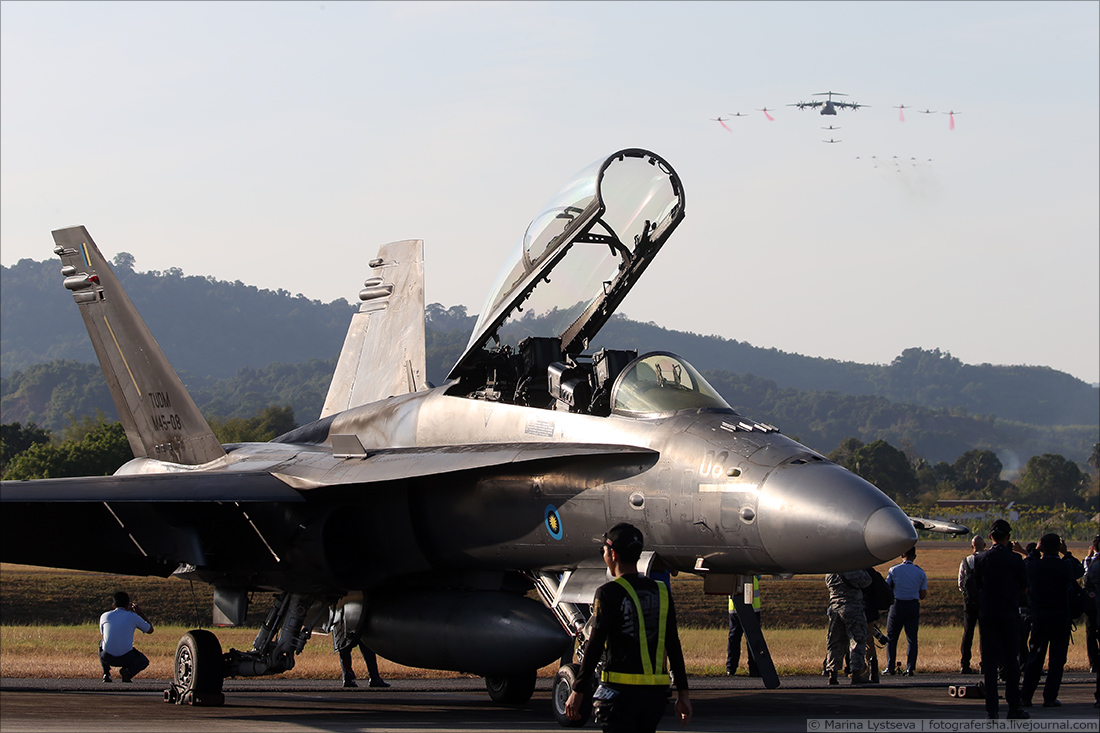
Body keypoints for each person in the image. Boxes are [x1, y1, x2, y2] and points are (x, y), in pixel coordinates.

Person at [565, 523, 691, 732]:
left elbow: (595, 645)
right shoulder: (661, 591)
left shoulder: (608, 593)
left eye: (603, 551)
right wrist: (683, 694)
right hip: (655, 699)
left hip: (619, 696)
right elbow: (673, 644)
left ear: (612, 554)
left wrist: (578, 689)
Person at [973, 518, 1029, 720]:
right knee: (1011, 662)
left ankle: (992, 709)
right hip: (1009, 613)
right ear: (1008, 538)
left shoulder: (980, 559)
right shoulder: (1015, 560)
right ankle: (1013, 707)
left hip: (988, 614)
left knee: (989, 663)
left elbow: (976, 587)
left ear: (990, 537)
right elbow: (1024, 587)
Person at [1020, 533, 1084, 708]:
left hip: (1039, 617)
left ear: (1041, 546)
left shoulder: (1034, 566)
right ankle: (1050, 697)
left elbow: (1024, 565)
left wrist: (1034, 551)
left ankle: (1026, 696)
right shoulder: (1065, 566)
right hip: (1060, 617)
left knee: (1035, 658)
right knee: (1057, 660)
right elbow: (1080, 570)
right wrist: (1066, 553)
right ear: (1058, 547)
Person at [883, 547, 927, 676]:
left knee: (891, 637)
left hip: (898, 604)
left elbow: (887, 588)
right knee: (912, 638)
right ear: (915, 556)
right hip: (913, 605)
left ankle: (890, 667)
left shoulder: (894, 570)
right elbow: (923, 594)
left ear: (902, 555)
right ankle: (910, 668)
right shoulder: (920, 572)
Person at [824, 569, 871, 685]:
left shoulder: (830, 573)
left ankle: (832, 674)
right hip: (852, 607)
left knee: (835, 641)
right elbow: (867, 581)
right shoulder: (853, 570)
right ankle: (856, 672)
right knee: (857, 639)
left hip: (834, 607)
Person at [99, 591, 154, 683]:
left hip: (107, 657)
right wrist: (140, 613)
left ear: (113, 605)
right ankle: (128, 671)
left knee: (101, 643)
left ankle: (106, 673)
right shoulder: (133, 616)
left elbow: (103, 634)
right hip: (126, 658)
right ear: (127, 605)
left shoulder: (105, 616)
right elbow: (150, 630)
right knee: (144, 661)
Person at [958, 535, 986, 674]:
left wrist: (967, 595)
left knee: (968, 632)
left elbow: (960, 582)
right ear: (985, 545)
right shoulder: (987, 559)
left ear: (972, 546)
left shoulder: (966, 561)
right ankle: (984, 664)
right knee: (984, 633)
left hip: (969, 602)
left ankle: (965, 663)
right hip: (985, 602)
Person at [727, 575, 760, 677]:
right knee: (740, 639)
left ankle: (731, 668)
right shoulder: (753, 571)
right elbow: (758, 577)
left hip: (742, 609)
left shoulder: (732, 574)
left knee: (735, 638)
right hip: (747, 609)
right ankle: (752, 668)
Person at [1083, 534, 1100, 675]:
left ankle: (1094, 663)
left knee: (1091, 633)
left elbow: (1086, 579)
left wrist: (1088, 558)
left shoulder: (1090, 563)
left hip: (1091, 604)